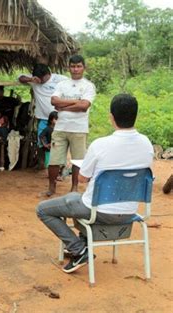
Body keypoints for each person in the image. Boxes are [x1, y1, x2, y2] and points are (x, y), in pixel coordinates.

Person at [36, 94, 154, 273]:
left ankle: (78, 249)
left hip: (99, 211)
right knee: (75, 198)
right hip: (130, 211)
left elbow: (82, 178)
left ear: (111, 117)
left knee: (43, 210)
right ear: (135, 115)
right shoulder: (147, 144)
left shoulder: (100, 145)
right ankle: (83, 243)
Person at [41, 55, 96, 197]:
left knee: (77, 160)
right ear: (68, 67)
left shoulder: (88, 86)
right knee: (54, 160)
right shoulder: (62, 84)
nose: (75, 69)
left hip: (79, 129)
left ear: (84, 67)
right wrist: (75, 102)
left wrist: (64, 106)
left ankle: (74, 187)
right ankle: (51, 187)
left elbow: (84, 106)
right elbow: (54, 101)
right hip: (60, 128)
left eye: (78, 66)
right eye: (73, 66)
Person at [18, 64, 68, 167]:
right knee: (41, 142)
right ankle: (42, 165)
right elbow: (20, 78)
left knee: (59, 143)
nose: (40, 80)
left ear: (48, 74)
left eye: (42, 78)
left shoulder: (60, 80)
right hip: (43, 119)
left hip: (58, 119)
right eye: (38, 78)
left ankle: (60, 166)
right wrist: (32, 79)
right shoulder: (34, 81)